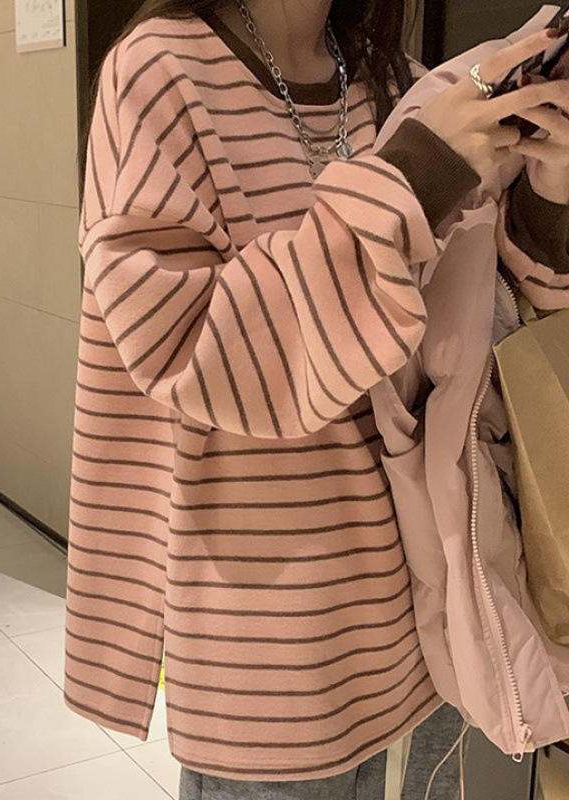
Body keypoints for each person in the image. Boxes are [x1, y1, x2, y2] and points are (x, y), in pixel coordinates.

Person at [64, 1, 569, 798]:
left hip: (432, 620)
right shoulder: (160, 71)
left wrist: (549, 189)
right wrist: (411, 180)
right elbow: (183, 349)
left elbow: (479, 319)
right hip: (275, 654)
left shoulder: (390, 78)